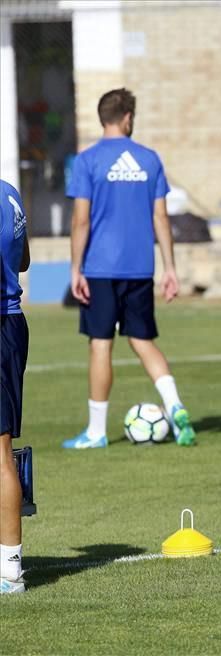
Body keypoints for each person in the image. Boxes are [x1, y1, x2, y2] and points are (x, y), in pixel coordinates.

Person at [63, 88, 196, 449]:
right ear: (127, 118)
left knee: (101, 345)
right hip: (140, 267)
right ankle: (176, 407)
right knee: (142, 340)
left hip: (100, 268)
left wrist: (75, 269)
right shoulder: (150, 160)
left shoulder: (87, 161)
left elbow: (80, 221)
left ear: (103, 118)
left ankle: (96, 431)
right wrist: (169, 268)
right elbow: (160, 216)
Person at [1, 179, 31, 594]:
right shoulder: (10, 193)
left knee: (0, 450)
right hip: (12, 323)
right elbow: (23, 259)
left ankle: (10, 570)